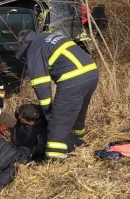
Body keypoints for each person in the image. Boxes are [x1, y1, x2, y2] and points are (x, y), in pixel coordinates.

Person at [16, 30, 99, 159]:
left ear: (24, 44)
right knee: (78, 113)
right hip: (91, 73)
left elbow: (41, 84)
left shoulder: (34, 48)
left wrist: (47, 111)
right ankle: (77, 141)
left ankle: (55, 158)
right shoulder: (47, 37)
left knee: (58, 122)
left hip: (73, 78)